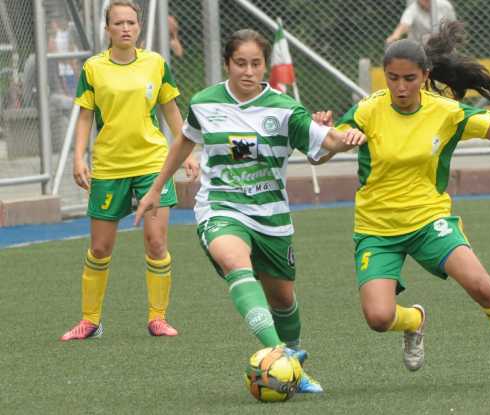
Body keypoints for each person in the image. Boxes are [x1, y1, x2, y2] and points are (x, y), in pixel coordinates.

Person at [315, 20, 490, 385]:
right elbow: (321, 155)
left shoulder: (446, 111)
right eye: (392, 78)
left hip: (430, 222)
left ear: (425, 75)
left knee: (482, 287)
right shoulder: (368, 110)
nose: (400, 87)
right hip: (376, 230)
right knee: (379, 318)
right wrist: (325, 134)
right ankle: (414, 320)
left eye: (409, 78)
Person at [134, 29, 366, 392]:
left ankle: (292, 359)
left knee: (283, 299)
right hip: (220, 206)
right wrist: (156, 187)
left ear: (265, 66)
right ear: (227, 63)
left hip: (271, 215)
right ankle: (282, 358)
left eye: (256, 63)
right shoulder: (205, 102)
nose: (248, 71)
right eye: (240, 63)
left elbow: (326, 143)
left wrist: (346, 139)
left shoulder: (285, 109)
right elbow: (185, 140)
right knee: (234, 263)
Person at [60, 0, 199, 341]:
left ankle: (158, 318)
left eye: (131, 23)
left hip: (153, 164)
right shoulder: (93, 68)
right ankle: (90, 321)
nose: (125, 28)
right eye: (118, 23)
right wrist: (78, 158)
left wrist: (187, 152)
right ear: (107, 29)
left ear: (139, 27)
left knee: (156, 242)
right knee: (100, 248)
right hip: (109, 167)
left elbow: (170, 109)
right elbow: (85, 116)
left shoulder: (156, 63)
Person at [386, 0, 456, 44]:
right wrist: (395, 36)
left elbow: (453, 25)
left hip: (442, 45)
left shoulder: (445, 5)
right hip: (419, 48)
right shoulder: (412, 9)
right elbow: (404, 25)